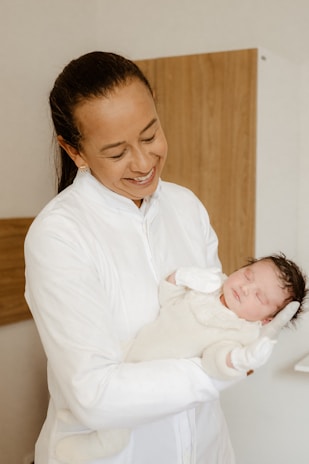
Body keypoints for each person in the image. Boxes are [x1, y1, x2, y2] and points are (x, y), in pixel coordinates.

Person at [24, 51, 299, 464]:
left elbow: (216, 316)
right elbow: (95, 396)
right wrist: (221, 369)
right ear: (75, 151)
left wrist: (247, 337)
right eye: (117, 153)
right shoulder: (60, 236)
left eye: (150, 135)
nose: (142, 162)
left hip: (206, 447)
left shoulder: (186, 207)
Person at [55, 254, 307, 463]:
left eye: (259, 297)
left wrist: (239, 360)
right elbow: (170, 300)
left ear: (266, 320)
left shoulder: (241, 332)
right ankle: (74, 416)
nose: (244, 287)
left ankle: (86, 449)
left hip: (148, 376)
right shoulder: (211, 285)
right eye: (247, 275)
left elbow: (214, 360)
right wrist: (180, 278)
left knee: (117, 422)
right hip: (131, 348)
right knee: (85, 384)